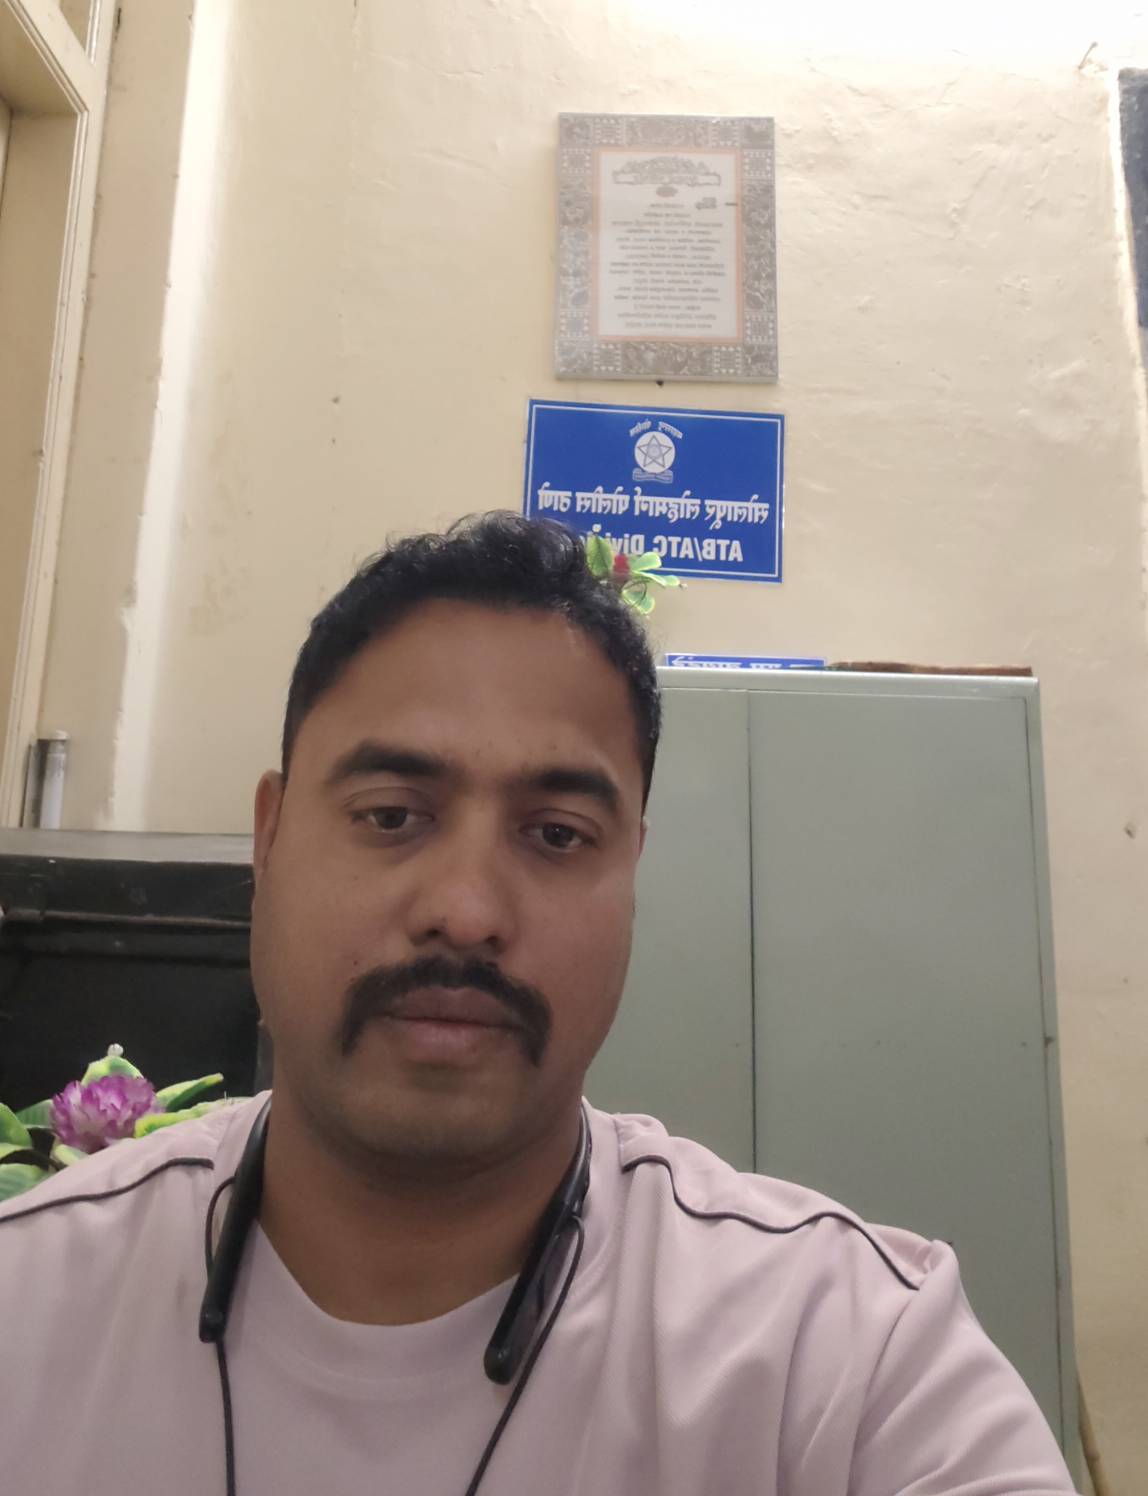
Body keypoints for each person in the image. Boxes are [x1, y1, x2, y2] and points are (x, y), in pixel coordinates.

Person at [2, 512, 1074, 1495]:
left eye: (556, 834)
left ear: (631, 873)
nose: (466, 911)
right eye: (391, 816)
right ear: (270, 839)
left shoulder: (847, 1362)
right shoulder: (28, 1301)